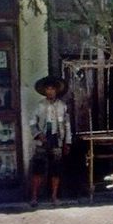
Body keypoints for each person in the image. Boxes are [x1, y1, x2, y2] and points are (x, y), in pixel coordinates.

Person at [29, 76, 72, 207]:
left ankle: (54, 197)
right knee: (38, 169)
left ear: (56, 91)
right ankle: (34, 197)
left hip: (56, 140)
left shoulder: (62, 106)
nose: (50, 92)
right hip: (42, 141)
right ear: (45, 91)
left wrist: (67, 143)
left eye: (52, 89)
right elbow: (32, 123)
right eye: (48, 89)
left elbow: (67, 125)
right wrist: (38, 134)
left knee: (56, 169)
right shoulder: (40, 106)